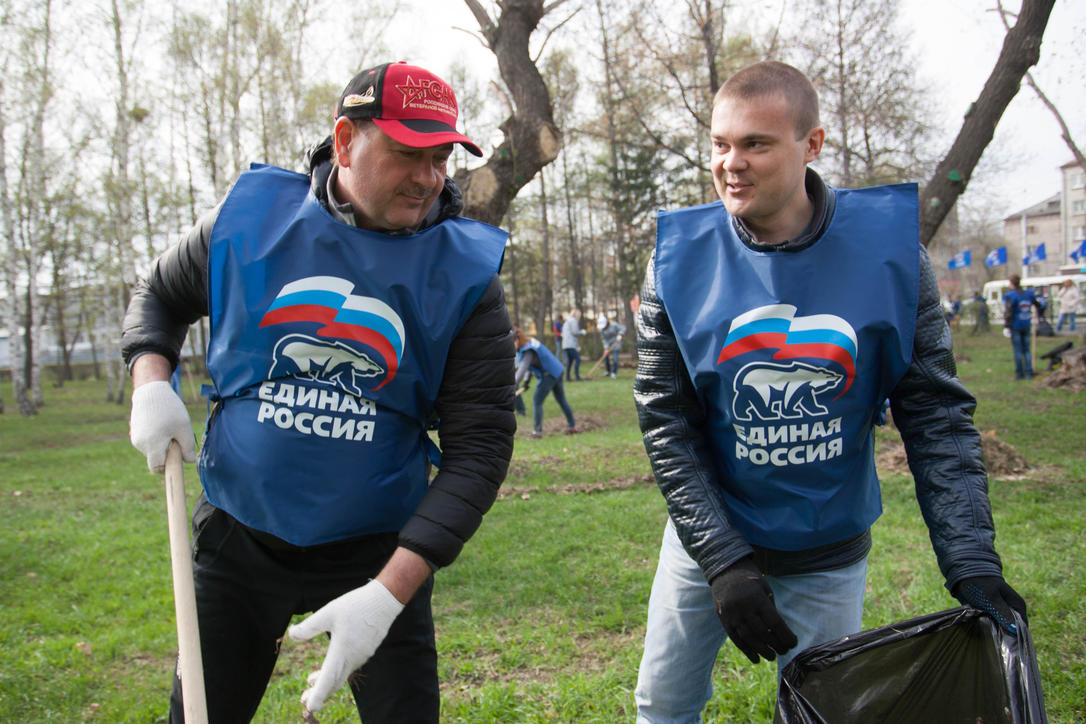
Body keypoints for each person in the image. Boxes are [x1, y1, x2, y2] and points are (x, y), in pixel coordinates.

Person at [632, 61, 1027, 722]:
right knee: (662, 703)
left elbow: (934, 413)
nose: (732, 163)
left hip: (826, 551)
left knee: (821, 713)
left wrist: (971, 559)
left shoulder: (891, 256)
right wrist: (723, 559)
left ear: (811, 144)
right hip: (707, 541)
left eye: (756, 144)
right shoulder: (676, 259)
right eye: (720, 144)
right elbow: (666, 419)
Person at [122, 61, 516, 723]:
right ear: (345, 141)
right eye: (408, 153)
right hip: (238, 532)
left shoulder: (465, 275)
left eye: (440, 157)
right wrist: (149, 382)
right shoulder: (248, 221)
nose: (428, 177)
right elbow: (159, 295)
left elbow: (480, 450)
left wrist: (388, 594)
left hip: (377, 547)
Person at [513, 326, 578, 438]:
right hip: (557, 370)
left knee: (537, 401)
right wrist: (526, 382)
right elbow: (529, 367)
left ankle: (537, 432)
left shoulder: (527, 350)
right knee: (561, 400)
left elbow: (523, 368)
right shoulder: (528, 344)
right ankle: (572, 426)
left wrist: (512, 385)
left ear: (517, 340)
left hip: (550, 374)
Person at [1003, 274, 1045, 379]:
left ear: (1011, 283)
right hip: (1026, 324)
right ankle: (1029, 372)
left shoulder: (1011, 296)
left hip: (1016, 325)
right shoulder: (1028, 294)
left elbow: (1008, 311)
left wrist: (1007, 326)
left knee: (1018, 351)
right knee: (1026, 350)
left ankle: (1019, 374)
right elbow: (1039, 305)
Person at [561, 309, 587, 381]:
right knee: (577, 359)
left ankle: (568, 377)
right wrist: (582, 332)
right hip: (570, 344)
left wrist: (577, 346)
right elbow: (575, 332)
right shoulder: (573, 321)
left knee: (570, 361)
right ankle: (577, 377)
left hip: (565, 345)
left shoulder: (567, 321)